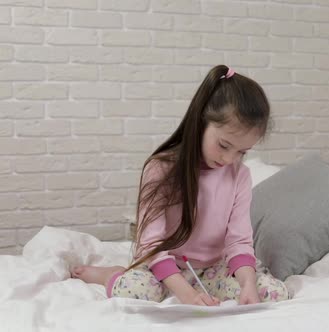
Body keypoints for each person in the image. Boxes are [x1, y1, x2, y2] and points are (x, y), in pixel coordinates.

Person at [70, 65, 290, 306]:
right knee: (136, 292)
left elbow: (239, 240)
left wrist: (248, 284)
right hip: (163, 266)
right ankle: (111, 274)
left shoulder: (240, 176)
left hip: (212, 269)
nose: (229, 159)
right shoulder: (161, 169)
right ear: (201, 122)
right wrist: (188, 296)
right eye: (224, 145)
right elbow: (151, 244)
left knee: (274, 293)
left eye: (242, 151)